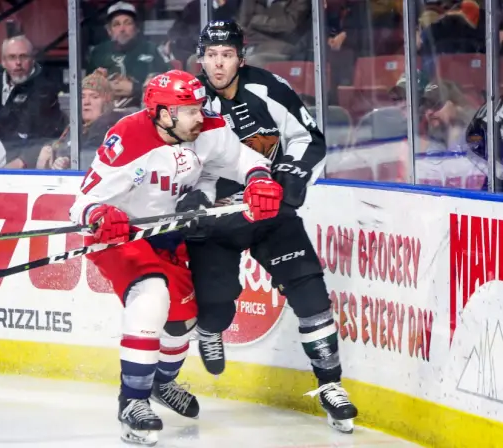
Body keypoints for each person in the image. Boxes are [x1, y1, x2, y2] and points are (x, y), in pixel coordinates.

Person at [68, 69, 282, 445]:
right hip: (121, 235)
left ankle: (161, 384)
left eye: (200, 107)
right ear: (163, 114)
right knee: (152, 297)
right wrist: (98, 215)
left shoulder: (207, 130)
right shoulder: (129, 138)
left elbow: (246, 160)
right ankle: (132, 402)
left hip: (165, 237)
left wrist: (260, 179)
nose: (200, 115)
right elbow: (82, 203)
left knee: (183, 321)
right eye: (189, 110)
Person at [185, 20, 359, 434]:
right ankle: (209, 329)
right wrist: (189, 193)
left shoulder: (268, 87)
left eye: (227, 54)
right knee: (217, 305)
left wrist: (291, 176)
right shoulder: (188, 98)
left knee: (310, 292)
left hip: (269, 212)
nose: (219, 63)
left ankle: (331, 385)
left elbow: (309, 138)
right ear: (201, 58)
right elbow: (172, 153)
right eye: (211, 55)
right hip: (218, 218)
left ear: (240, 57)